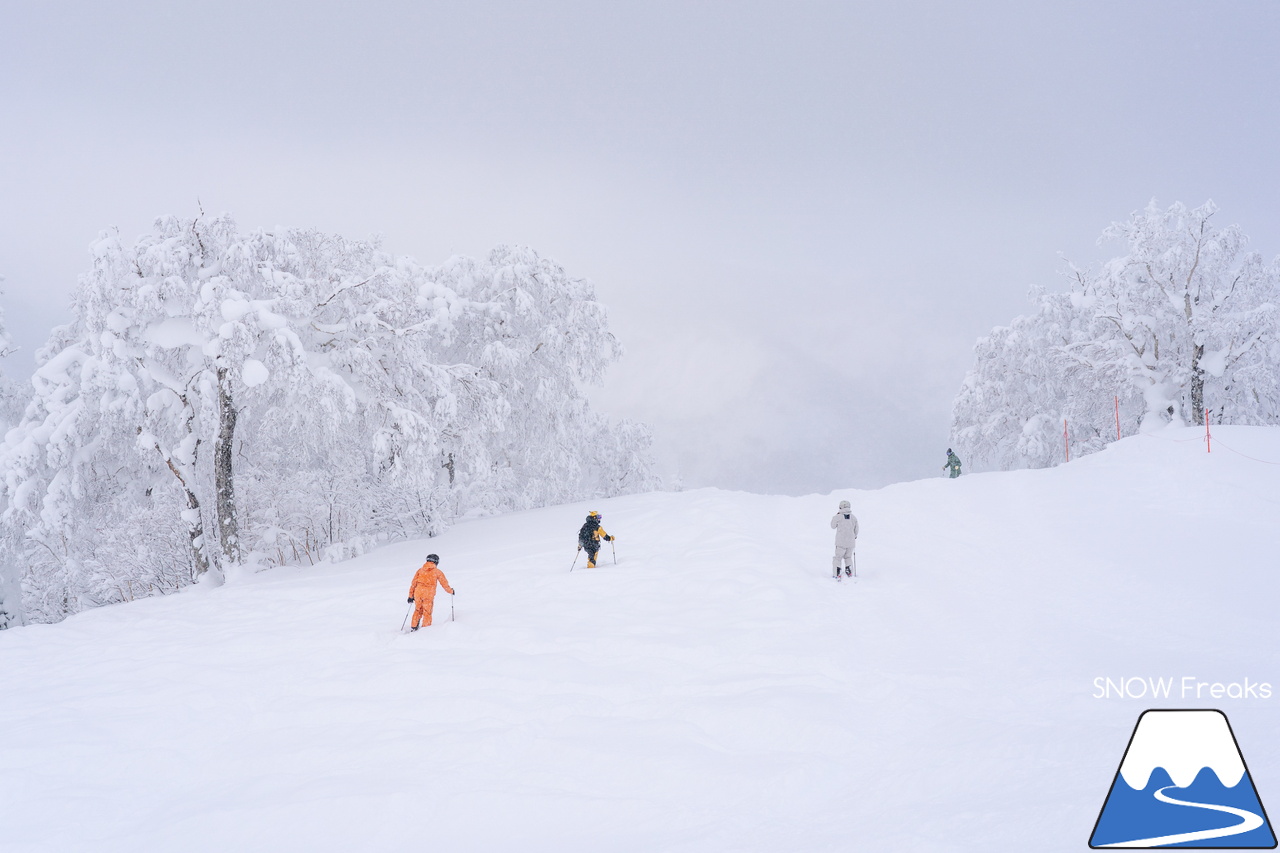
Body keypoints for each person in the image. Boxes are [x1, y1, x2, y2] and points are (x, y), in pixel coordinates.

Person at [406, 553, 454, 630]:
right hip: (428, 594)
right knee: (427, 612)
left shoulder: (420, 570)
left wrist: (410, 596)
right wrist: (450, 591)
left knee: (418, 609)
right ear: (436, 562)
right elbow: (444, 583)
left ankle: (414, 626)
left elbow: (413, 584)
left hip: (418, 593)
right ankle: (425, 630)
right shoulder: (437, 571)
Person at [830, 500, 858, 579]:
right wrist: (854, 536)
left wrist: (835, 516)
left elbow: (832, 526)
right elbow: (856, 530)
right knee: (848, 557)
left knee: (838, 558)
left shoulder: (838, 516)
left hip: (840, 542)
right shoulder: (853, 517)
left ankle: (837, 573)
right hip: (851, 542)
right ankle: (849, 572)